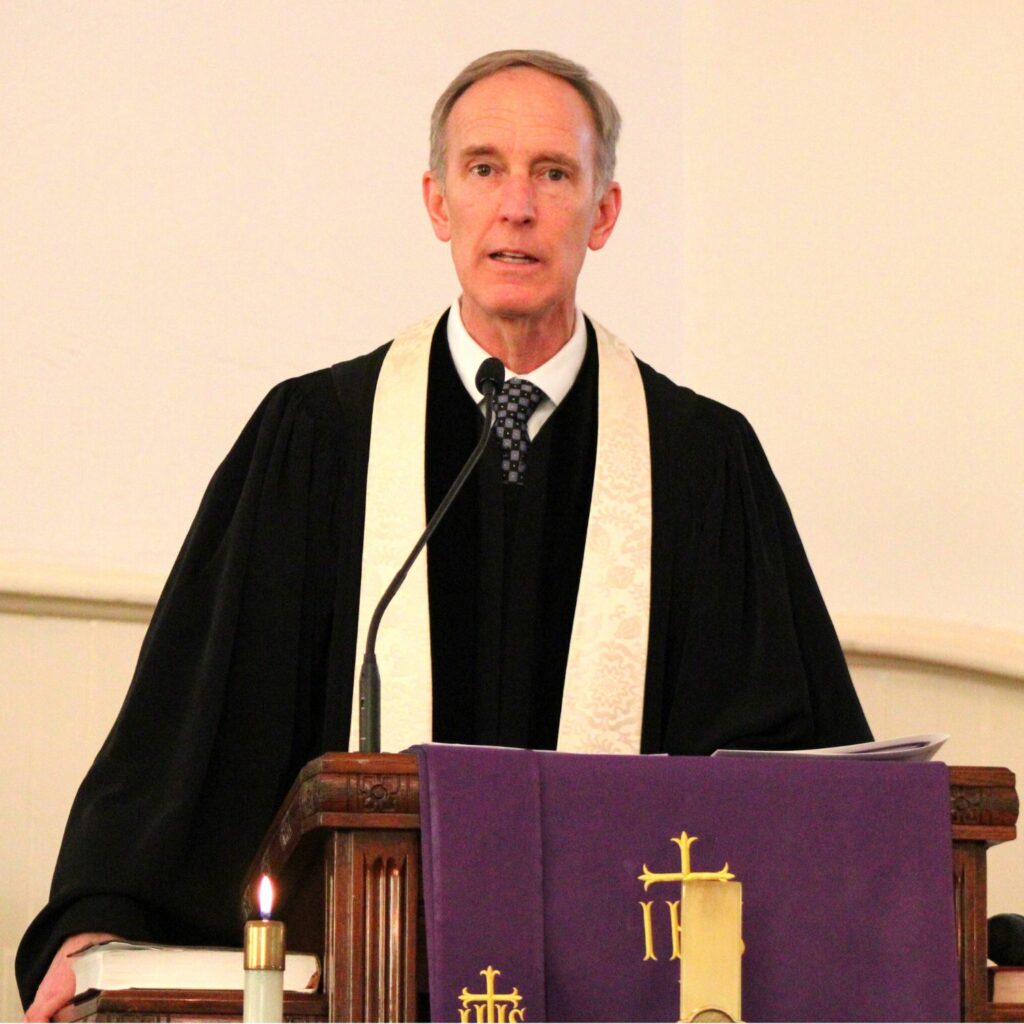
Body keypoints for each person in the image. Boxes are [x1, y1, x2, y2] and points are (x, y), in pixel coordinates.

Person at [18, 49, 872, 1020]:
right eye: (483, 169)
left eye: (553, 173)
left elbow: (780, 762)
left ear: (602, 211)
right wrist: (102, 916)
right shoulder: (319, 438)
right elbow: (205, 719)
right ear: (437, 204)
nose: (516, 205)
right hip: (357, 988)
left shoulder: (700, 464)